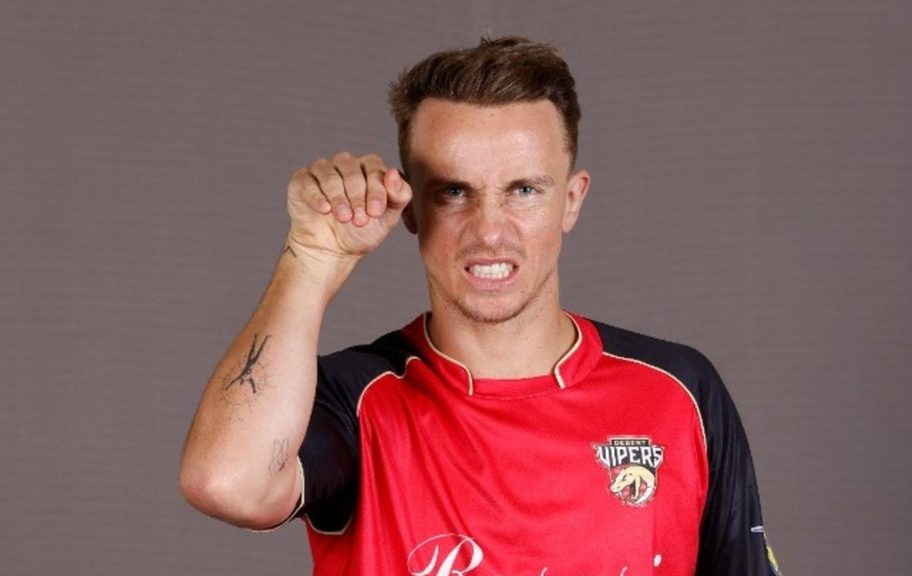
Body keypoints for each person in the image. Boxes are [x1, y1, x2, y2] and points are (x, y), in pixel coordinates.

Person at [180, 36, 782, 576]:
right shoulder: (356, 399)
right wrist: (312, 257)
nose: (489, 231)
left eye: (524, 190)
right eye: (453, 191)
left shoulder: (679, 392)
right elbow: (226, 483)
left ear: (571, 200)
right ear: (410, 207)